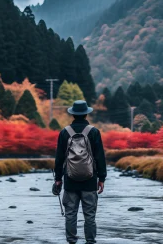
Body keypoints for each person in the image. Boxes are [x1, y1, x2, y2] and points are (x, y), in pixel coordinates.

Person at [54, 100, 107, 244]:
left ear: (73, 114)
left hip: (70, 180)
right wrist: (101, 178)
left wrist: (58, 178)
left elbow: (59, 158)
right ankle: (90, 241)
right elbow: (100, 157)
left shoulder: (65, 132)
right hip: (90, 180)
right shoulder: (94, 132)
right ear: (86, 114)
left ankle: (71, 241)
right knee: (90, 215)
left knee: (70, 214)